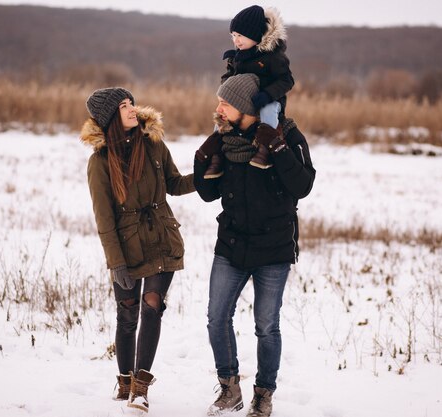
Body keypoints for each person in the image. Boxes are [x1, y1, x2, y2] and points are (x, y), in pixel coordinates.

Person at [194, 74, 316, 417]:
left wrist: (276, 146)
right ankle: (229, 389)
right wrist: (203, 156)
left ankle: (264, 395)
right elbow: (207, 194)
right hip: (232, 244)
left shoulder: (286, 135)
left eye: (225, 103)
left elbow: (303, 185)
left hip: (273, 248)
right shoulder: (226, 139)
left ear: (246, 108)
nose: (218, 108)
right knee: (217, 318)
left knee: (266, 325)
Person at [81, 87, 195, 414]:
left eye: (131, 103)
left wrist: (207, 174)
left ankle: (141, 389)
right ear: (110, 117)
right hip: (127, 249)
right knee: (127, 313)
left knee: (152, 306)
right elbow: (104, 220)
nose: (132, 109)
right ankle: (124, 381)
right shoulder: (100, 162)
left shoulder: (154, 144)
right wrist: (116, 263)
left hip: (161, 238)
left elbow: (174, 184)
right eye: (124, 106)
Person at [204, 4, 294, 179]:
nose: (236, 40)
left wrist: (268, 94)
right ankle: (216, 155)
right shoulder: (238, 56)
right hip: (242, 102)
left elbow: (287, 80)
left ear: (255, 35)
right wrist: (228, 87)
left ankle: (265, 149)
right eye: (233, 36)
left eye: (240, 36)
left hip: (269, 99)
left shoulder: (273, 57)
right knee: (220, 116)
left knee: (268, 112)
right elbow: (228, 77)